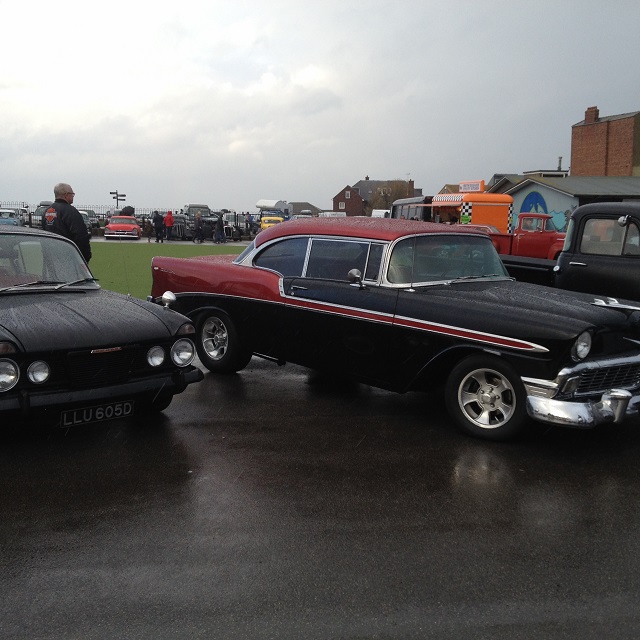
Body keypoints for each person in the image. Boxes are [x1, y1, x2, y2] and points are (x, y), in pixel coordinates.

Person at [41, 182, 92, 262]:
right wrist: (85, 258)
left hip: (49, 257)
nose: (73, 196)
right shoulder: (71, 212)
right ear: (66, 195)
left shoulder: (46, 212)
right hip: (67, 258)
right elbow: (81, 237)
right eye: (72, 194)